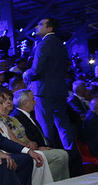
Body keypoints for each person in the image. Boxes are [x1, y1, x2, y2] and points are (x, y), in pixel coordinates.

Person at [0, 88, 57, 185]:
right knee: (30, 157)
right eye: (1, 103)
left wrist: (29, 149)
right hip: (0, 154)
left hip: (12, 151)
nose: (4, 106)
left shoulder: (2, 122)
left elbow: (12, 141)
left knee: (36, 155)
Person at [22, 16, 75, 150]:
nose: (36, 26)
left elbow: (36, 70)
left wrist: (26, 74)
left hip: (43, 90)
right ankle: (71, 151)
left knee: (45, 125)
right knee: (63, 124)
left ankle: (50, 153)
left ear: (49, 28)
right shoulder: (61, 45)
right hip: (60, 89)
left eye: (40, 24)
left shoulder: (44, 44)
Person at [1, 88, 71, 181]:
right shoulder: (11, 117)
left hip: (29, 148)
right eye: (4, 100)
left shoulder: (14, 119)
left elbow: (26, 137)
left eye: (10, 99)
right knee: (60, 156)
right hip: (21, 151)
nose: (9, 102)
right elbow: (13, 141)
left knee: (63, 154)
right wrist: (33, 148)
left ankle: (64, 184)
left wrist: (32, 143)